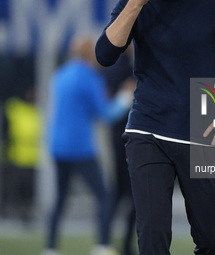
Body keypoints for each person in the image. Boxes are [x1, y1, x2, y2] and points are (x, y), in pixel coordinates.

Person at [96, 0, 215, 254]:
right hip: (147, 131)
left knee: (213, 241)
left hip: (203, 134)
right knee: (152, 240)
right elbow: (104, 55)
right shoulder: (136, 4)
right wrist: (135, 5)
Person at [44, 35, 132, 255]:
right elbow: (105, 114)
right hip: (80, 147)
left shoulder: (59, 75)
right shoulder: (89, 78)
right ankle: (102, 245)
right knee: (104, 197)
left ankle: (50, 248)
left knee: (60, 199)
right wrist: (124, 98)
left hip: (57, 145)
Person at [100, 45, 137, 255]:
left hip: (128, 135)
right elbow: (108, 104)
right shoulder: (116, 66)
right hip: (123, 136)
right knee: (126, 192)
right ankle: (109, 243)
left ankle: (111, 243)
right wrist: (125, 93)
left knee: (126, 193)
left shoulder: (126, 65)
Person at [0, 87, 41, 226]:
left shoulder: (38, 112)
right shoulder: (16, 109)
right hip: (16, 157)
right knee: (13, 188)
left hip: (33, 159)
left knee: (28, 191)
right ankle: (8, 211)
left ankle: (25, 215)